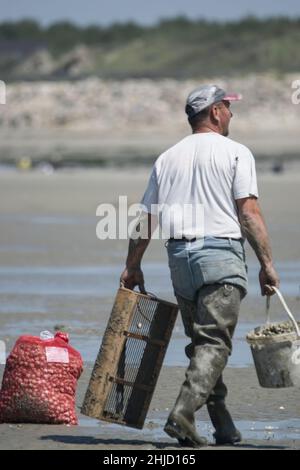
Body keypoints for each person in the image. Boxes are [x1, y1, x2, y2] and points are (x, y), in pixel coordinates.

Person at [120, 84, 280, 447]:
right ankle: (182, 414)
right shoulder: (236, 153)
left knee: (203, 342)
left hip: (180, 260)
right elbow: (249, 214)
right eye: (227, 106)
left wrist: (132, 266)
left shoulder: (167, 158)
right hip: (219, 258)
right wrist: (267, 264)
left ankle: (223, 426)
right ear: (214, 113)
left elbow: (145, 219)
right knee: (215, 344)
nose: (231, 113)